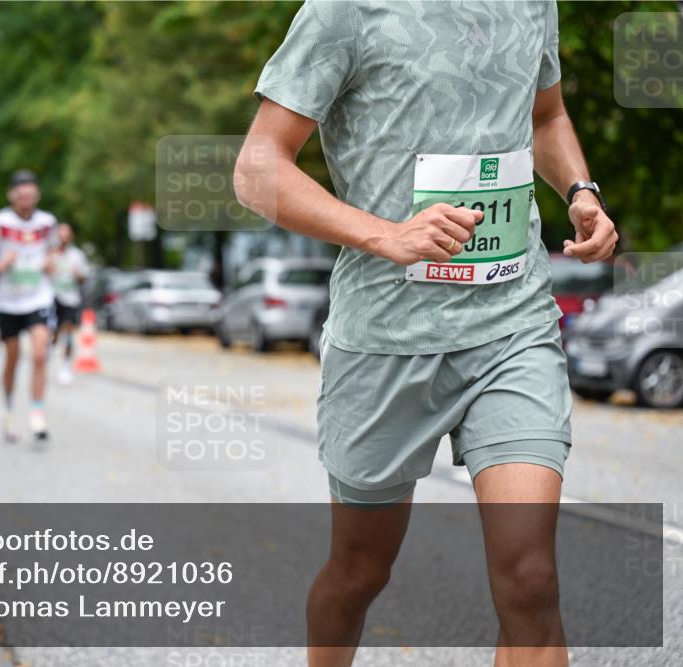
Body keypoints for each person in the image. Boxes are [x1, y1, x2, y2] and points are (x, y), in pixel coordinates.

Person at [234, 3, 618, 666]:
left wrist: (580, 190)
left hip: (512, 324)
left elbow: (545, 116)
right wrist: (386, 235)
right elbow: (256, 168)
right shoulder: (344, 11)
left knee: (530, 580)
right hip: (385, 337)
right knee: (359, 572)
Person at [0, 169, 56, 442]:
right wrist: (0, 265)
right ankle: (8, 411)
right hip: (8, 301)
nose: (26, 201)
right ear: (12, 196)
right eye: (21, 196)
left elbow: (53, 249)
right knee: (13, 358)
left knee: (40, 353)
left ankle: (37, 414)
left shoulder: (47, 222)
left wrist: (49, 262)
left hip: (38, 296)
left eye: (31, 196)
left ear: (37, 195)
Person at [50, 222, 90, 385]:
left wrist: (78, 275)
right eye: (60, 235)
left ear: (71, 237)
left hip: (70, 299)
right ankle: (47, 361)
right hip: (50, 298)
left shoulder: (77, 255)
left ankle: (65, 366)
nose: (63, 239)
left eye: (66, 236)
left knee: (67, 332)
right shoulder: (50, 253)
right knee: (51, 334)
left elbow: (84, 278)